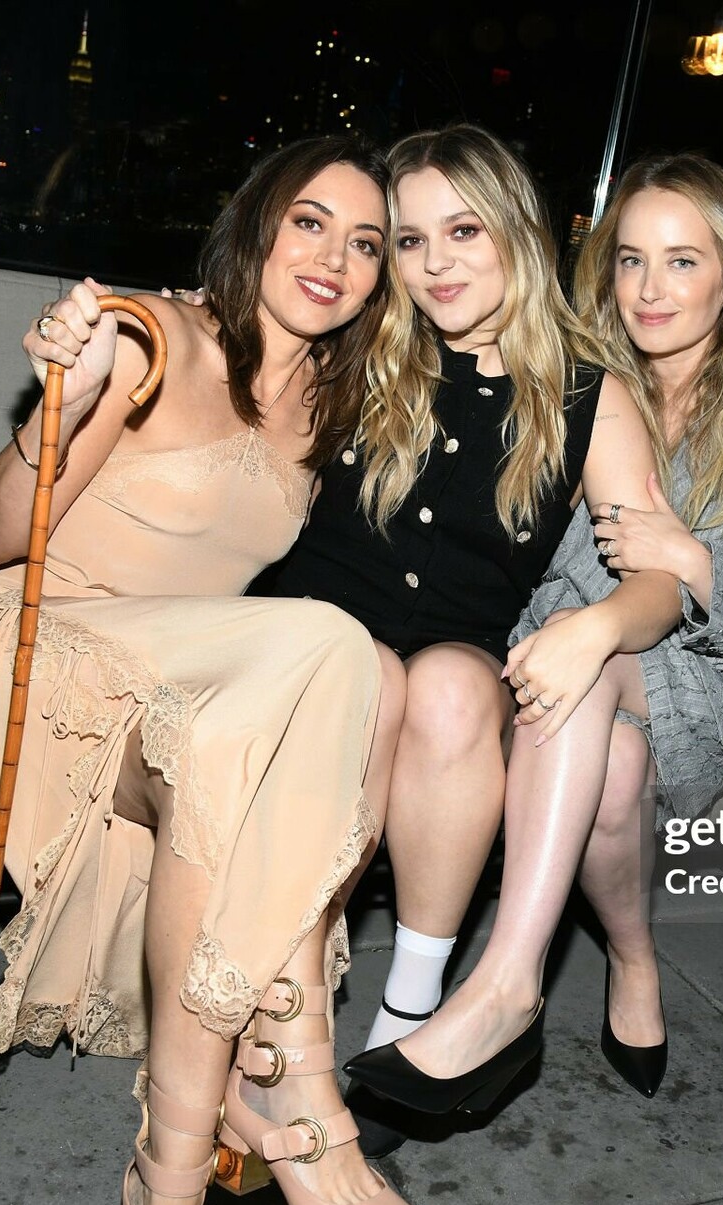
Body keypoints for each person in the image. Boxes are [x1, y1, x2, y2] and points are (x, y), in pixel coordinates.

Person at [0, 136, 432, 1205]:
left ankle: (169, 1186)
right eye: (310, 221)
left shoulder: (327, 401)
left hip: (173, 686)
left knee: (369, 683)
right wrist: (68, 397)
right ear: (255, 222)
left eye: (363, 243)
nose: (333, 258)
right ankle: (291, 1068)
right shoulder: (152, 338)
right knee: (331, 651)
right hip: (31, 648)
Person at [347, 153, 723, 1111]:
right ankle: (631, 955)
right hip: (564, 667)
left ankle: (506, 984)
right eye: (631, 260)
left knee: (589, 661)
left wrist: (695, 566)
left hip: (718, 690)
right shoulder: (575, 390)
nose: (650, 288)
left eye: (682, 262)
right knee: (611, 765)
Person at [246, 123, 684, 1134]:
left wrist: (597, 626)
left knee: (445, 685)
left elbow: (661, 580)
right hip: (312, 649)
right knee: (362, 670)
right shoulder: (355, 350)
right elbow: (228, 351)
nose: (436, 263)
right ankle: (274, 1003)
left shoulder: (586, 396)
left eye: (464, 231)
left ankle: (415, 1005)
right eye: (409, 240)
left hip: (456, 673)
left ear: (517, 234)